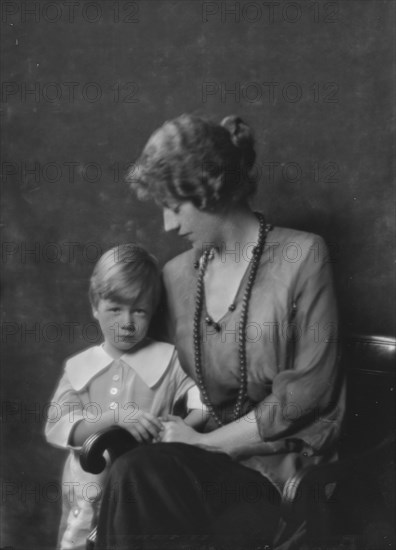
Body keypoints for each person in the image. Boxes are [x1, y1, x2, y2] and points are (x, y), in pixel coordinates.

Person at [95, 115, 346, 550]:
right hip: (197, 465)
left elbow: (308, 394)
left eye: (174, 207)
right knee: (134, 474)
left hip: (279, 476)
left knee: (144, 479)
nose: (168, 226)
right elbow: (170, 380)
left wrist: (209, 444)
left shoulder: (303, 256)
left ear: (211, 186)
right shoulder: (176, 275)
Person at [45, 244, 206, 550]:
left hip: (143, 478)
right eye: (115, 309)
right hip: (87, 479)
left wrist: (183, 428)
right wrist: (116, 416)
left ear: (153, 311)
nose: (127, 322)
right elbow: (60, 425)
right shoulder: (81, 367)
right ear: (95, 306)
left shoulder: (169, 359)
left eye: (139, 310)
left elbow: (203, 402)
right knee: (82, 532)